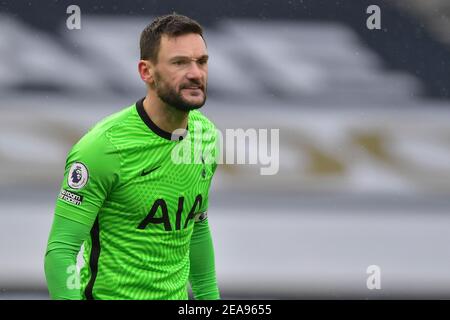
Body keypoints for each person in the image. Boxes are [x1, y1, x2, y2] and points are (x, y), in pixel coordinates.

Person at [44, 13, 220, 300]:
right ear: (146, 72)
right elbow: (61, 250)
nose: (195, 73)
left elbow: (196, 227)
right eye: (179, 62)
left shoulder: (207, 137)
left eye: (201, 61)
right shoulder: (102, 148)